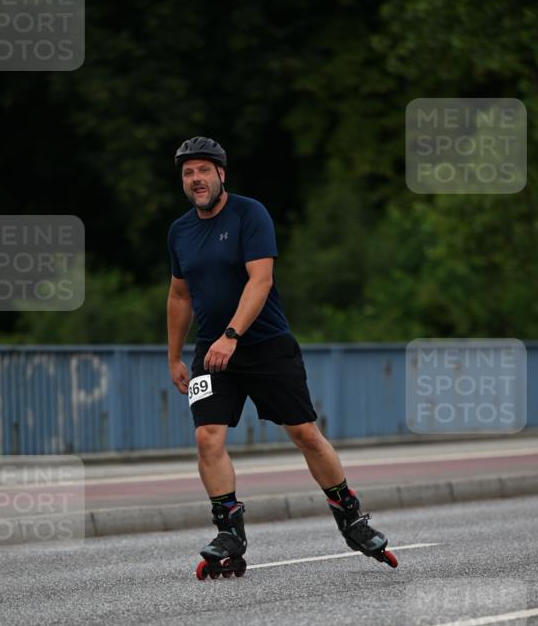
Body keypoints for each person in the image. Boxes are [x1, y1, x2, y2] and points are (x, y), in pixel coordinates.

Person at [166, 136, 396, 576]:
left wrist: (232, 334)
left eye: (203, 170)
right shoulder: (179, 231)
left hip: (265, 345)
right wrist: (174, 356)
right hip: (212, 352)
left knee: (304, 433)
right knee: (207, 436)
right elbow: (179, 295)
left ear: (221, 174)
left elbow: (261, 280)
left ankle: (351, 517)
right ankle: (229, 533)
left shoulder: (249, 214)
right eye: (188, 172)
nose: (196, 179)